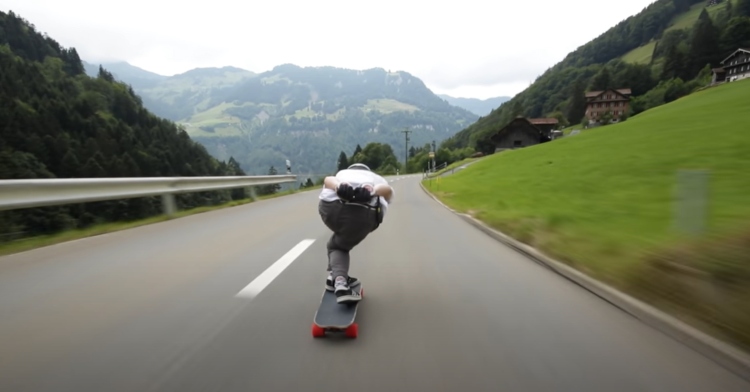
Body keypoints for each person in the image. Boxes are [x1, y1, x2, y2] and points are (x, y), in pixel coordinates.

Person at [318, 163, 394, 304]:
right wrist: (371, 190)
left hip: (330, 208)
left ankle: (336, 275)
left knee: (336, 244)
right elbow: (387, 191)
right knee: (340, 246)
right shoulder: (376, 178)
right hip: (363, 212)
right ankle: (341, 285)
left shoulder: (342, 173)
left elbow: (327, 179)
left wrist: (338, 187)